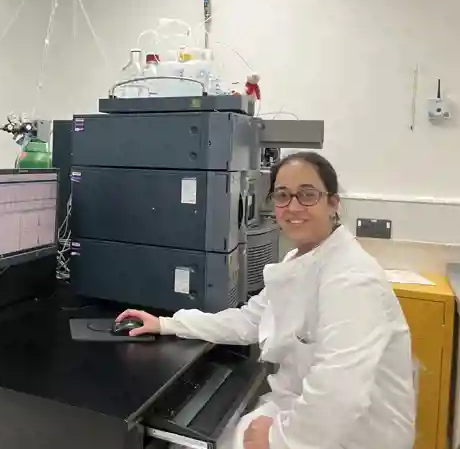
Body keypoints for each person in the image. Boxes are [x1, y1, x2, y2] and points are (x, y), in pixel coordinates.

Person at [116, 152, 416, 449]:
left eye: (308, 194)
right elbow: (249, 320)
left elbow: (340, 393)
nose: (293, 206)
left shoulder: (352, 278)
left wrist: (277, 440)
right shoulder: (301, 261)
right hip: (300, 413)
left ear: (333, 204)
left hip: (352, 436)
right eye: (283, 195)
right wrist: (167, 323)